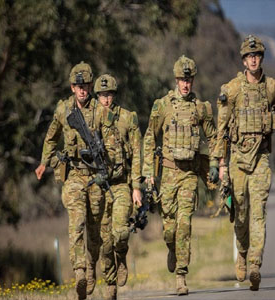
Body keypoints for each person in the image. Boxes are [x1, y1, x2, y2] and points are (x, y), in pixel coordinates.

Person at [213, 35, 275, 291]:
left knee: (258, 211)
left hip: (261, 158)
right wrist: (221, 164)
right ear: (243, 60)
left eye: (257, 55)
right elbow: (222, 128)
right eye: (249, 56)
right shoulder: (232, 89)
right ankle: (243, 253)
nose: (253, 60)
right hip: (237, 159)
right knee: (241, 213)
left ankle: (255, 264)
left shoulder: (272, 87)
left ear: (262, 58)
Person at [35, 62, 119, 300]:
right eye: (78, 86)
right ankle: (79, 271)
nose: (82, 90)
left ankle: (91, 268)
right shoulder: (63, 110)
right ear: (72, 87)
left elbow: (112, 143)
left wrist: (107, 170)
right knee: (77, 221)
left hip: (95, 176)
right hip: (73, 175)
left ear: (91, 86)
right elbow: (51, 138)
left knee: (95, 233)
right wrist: (43, 163)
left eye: (86, 86)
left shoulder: (101, 111)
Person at [142, 55, 218, 295]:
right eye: (182, 80)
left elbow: (213, 137)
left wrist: (216, 164)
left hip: (189, 175)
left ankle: (181, 276)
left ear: (193, 80)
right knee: (169, 230)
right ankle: (172, 250)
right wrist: (148, 172)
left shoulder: (201, 108)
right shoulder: (162, 105)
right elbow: (149, 137)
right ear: (176, 80)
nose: (186, 84)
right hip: (168, 176)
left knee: (184, 223)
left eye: (189, 80)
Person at [91, 74, 142, 300]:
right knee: (104, 242)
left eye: (109, 94)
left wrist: (137, 186)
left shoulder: (127, 118)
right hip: (99, 188)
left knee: (120, 232)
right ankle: (110, 282)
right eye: (102, 95)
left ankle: (122, 257)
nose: (106, 99)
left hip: (121, 184)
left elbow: (138, 154)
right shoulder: (90, 120)